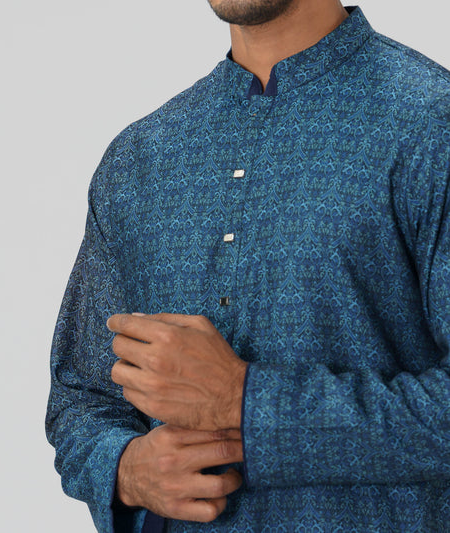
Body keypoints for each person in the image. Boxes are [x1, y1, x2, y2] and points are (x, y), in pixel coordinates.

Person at [45, 1, 450, 531]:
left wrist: (249, 403)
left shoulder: (430, 124)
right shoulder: (141, 158)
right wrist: (126, 469)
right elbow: (80, 396)